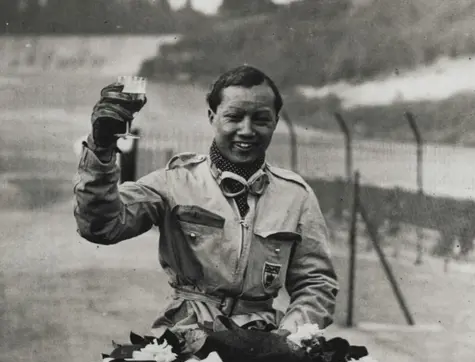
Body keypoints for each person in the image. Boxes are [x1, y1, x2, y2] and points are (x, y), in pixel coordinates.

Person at [74, 65, 338, 335]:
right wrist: (102, 148)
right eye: (234, 117)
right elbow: (101, 226)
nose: (247, 130)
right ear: (212, 117)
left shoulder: (296, 195)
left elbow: (316, 283)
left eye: (260, 119)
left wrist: (290, 338)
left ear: (275, 122)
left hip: (263, 342)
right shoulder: (174, 182)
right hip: (187, 336)